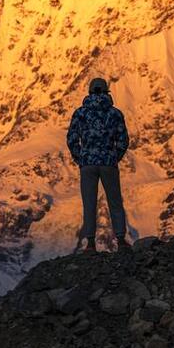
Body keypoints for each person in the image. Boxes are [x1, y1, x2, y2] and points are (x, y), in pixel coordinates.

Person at [66, 77, 130, 253]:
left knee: (89, 203)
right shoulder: (114, 113)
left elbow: (72, 139)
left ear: (90, 91)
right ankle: (121, 240)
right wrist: (114, 156)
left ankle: (90, 244)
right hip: (108, 162)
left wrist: (81, 157)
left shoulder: (80, 113)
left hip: (87, 163)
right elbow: (123, 139)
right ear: (106, 91)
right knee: (115, 201)